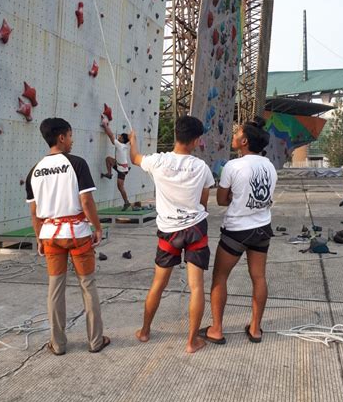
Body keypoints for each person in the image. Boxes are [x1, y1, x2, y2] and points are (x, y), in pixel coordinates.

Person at [129, 116, 215, 353]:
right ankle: (191, 341)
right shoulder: (202, 168)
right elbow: (204, 201)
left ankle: (145, 331)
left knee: (158, 283)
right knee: (196, 287)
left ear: (176, 134)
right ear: (196, 140)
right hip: (196, 229)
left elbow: (134, 158)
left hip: (168, 231)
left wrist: (133, 142)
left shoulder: (157, 161)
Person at [26, 118, 110, 355]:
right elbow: (86, 201)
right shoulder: (77, 164)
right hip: (78, 235)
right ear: (61, 137)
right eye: (70, 135)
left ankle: (58, 344)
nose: (72, 140)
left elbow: (34, 212)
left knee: (55, 288)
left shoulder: (35, 170)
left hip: (51, 236)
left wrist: (39, 238)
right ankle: (95, 341)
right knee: (88, 285)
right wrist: (97, 227)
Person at [200, 117, 277, 345]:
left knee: (220, 277)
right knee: (259, 278)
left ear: (244, 141)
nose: (233, 136)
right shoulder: (269, 166)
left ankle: (217, 329)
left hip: (236, 231)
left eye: (236, 134)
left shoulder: (233, 166)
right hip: (262, 229)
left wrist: (234, 195)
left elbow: (222, 200)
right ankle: (255, 329)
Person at [100, 119, 131, 211]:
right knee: (108, 160)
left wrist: (105, 125)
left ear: (122, 139)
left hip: (122, 169)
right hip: (119, 165)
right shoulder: (125, 145)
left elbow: (111, 136)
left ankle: (126, 202)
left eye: (120, 137)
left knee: (120, 187)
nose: (119, 137)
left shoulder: (120, 145)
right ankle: (109, 174)